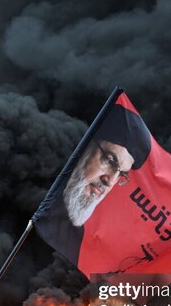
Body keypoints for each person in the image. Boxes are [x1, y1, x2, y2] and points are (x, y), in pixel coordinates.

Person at [35, 103, 151, 264]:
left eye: (121, 174)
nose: (110, 180)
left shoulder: (78, 239)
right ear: (85, 148)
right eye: (110, 160)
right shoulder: (33, 195)